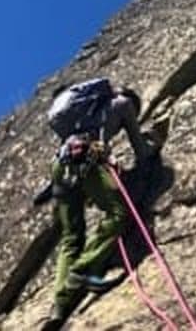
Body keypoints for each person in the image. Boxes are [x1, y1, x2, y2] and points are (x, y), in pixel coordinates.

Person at [41, 82, 153, 330]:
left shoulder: (84, 111)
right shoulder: (123, 104)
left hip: (61, 165)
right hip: (87, 161)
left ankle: (59, 307)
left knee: (71, 237)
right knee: (118, 213)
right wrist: (150, 152)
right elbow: (139, 149)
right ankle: (80, 270)